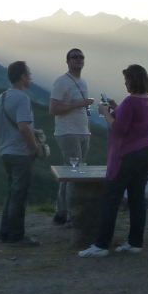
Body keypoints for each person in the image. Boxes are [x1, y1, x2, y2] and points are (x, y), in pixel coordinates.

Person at [79, 65, 148, 257]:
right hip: (147, 151)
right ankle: (135, 243)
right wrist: (115, 107)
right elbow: (136, 122)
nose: (125, 82)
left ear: (133, 80)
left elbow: (120, 129)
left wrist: (105, 112)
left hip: (128, 155)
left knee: (110, 199)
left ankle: (101, 245)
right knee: (137, 199)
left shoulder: (130, 101)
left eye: (127, 79)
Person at [0, 61, 46, 245]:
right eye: (29, 74)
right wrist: (33, 147)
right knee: (19, 195)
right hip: (20, 154)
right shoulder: (22, 98)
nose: (30, 77)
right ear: (22, 77)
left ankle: (4, 233)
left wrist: (6, 141)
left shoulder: (2, 97)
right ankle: (17, 236)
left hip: (5, 152)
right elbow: (24, 127)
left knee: (12, 193)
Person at [49, 48, 94, 225]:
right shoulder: (61, 82)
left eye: (81, 57)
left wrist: (88, 128)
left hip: (83, 132)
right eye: (74, 57)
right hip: (68, 132)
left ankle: (62, 212)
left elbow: (83, 109)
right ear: (67, 61)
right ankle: (69, 215)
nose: (78, 60)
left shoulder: (82, 82)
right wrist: (79, 104)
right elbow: (53, 110)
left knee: (72, 171)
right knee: (73, 173)